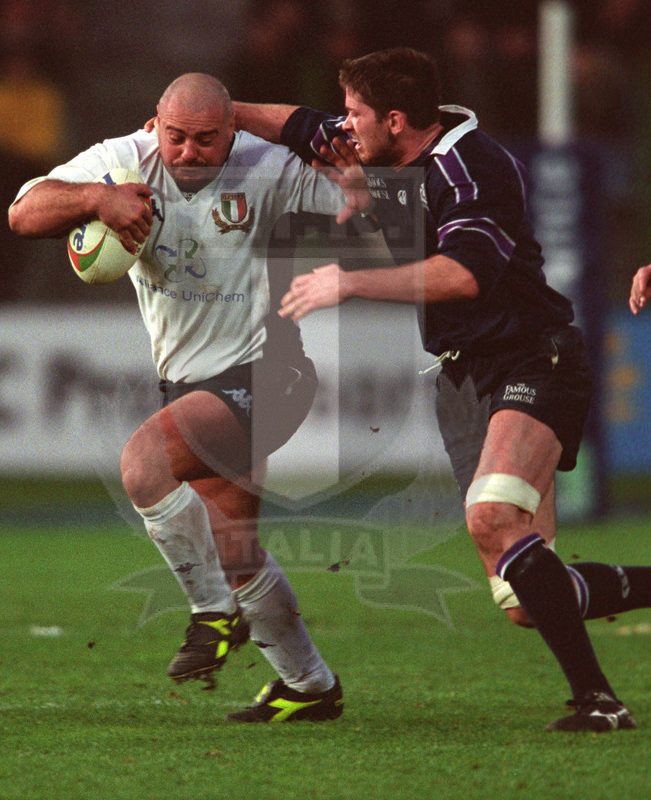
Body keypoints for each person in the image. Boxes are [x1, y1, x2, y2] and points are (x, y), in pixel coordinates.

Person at [233, 47, 651, 732]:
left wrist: (349, 281)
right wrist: (212, 111)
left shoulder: (473, 166)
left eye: (356, 113)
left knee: (491, 515)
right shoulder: (386, 143)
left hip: (532, 358)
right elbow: (292, 124)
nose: (344, 124)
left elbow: (465, 276)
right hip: (462, 379)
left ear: (394, 120)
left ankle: (601, 703)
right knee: (524, 598)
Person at [8, 72, 345, 723]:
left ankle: (211, 612)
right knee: (236, 550)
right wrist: (93, 202)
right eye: (177, 138)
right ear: (154, 125)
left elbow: (366, 201)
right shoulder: (122, 162)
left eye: (207, 140)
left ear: (232, 132)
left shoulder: (267, 167)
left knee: (144, 463)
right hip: (191, 381)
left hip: (268, 373)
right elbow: (23, 213)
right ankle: (309, 685)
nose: (189, 152)